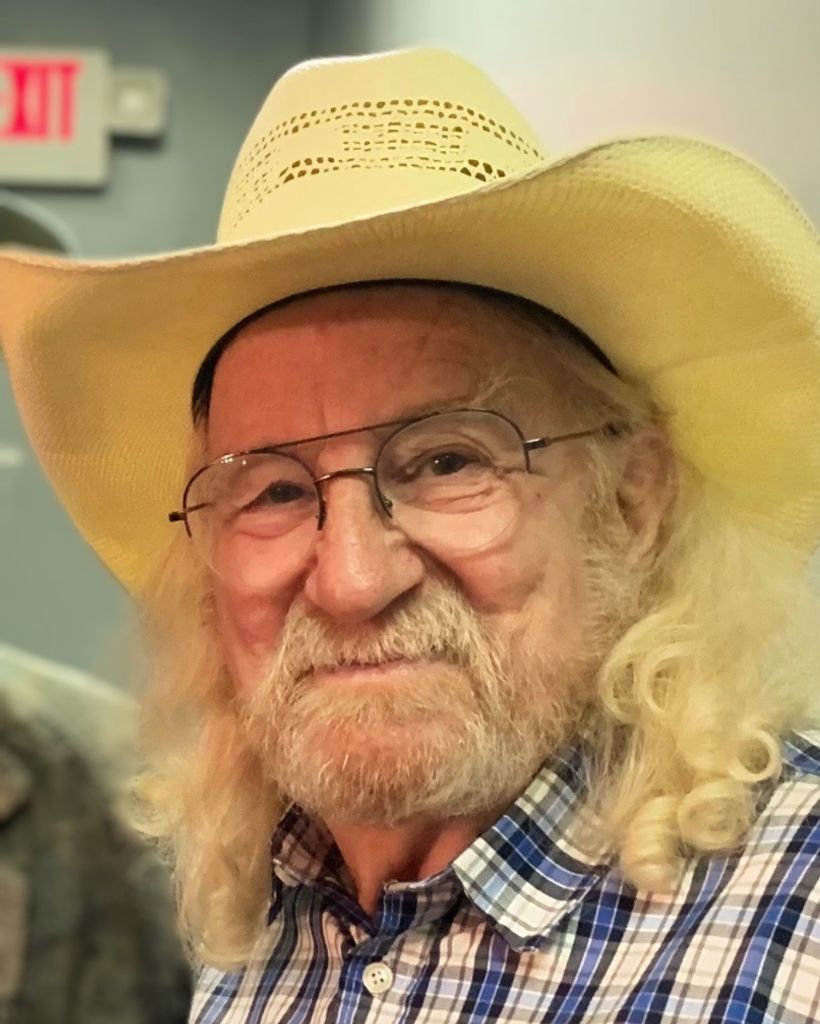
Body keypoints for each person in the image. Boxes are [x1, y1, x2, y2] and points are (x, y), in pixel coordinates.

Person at [1, 47, 818, 1023]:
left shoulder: (795, 922)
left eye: (446, 462)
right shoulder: (234, 919)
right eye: (272, 490)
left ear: (633, 500)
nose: (351, 580)